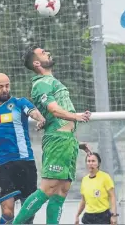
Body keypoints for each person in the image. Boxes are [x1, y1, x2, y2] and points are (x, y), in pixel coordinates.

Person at [12, 45, 92, 224]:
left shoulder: (52, 81)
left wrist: (75, 142)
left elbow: (54, 116)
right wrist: (76, 116)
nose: (48, 52)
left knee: (62, 191)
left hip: (67, 141)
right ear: (37, 62)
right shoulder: (41, 84)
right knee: (48, 189)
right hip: (57, 141)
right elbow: (54, 110)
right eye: (43, 53)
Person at [0, 73, 46, 224]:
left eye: (7, 86)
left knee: (29, 212)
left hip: (25, 161)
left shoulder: (20, 103)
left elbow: (33, 112)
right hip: (1, 165)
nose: (5, 89)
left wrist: (40, 119)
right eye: (0, 87)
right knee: (7, 212)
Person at [75, 152, 118, 225]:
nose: (90, 163)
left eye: (93, 161)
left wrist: (113, 215)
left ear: (99, 163)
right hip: (88, 217)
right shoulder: (84, 179)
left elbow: (112, 196)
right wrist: (77, 215)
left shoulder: (105, 177)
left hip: (103, 216)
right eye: (88, 161)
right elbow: (83, 200)